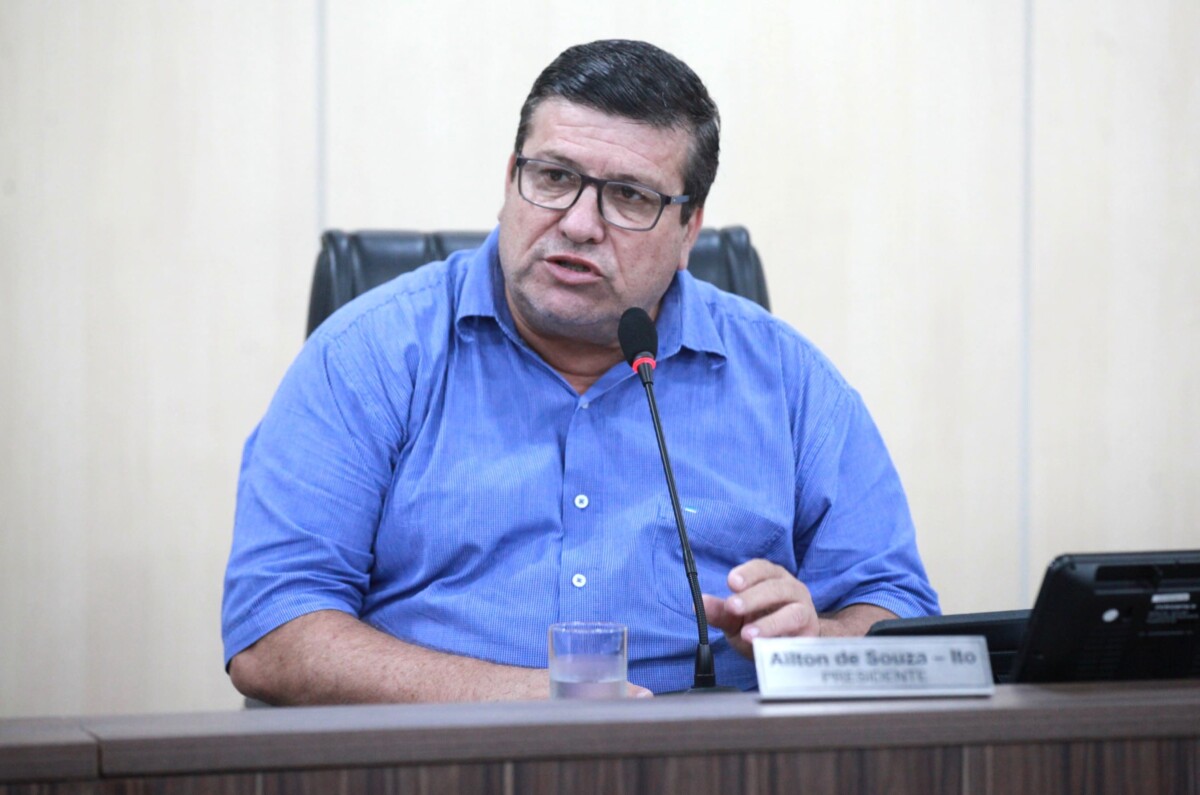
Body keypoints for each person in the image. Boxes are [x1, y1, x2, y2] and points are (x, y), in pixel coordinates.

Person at [222, 39, 939, 705]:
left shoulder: (787, 382)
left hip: (715, 763)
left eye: (630, 196)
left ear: (689, 229)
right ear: (510, 180)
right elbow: (272, 632)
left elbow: (899, 615)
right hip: (439, 762)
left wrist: (820, 642)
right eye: (555, 177)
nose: (578, 223)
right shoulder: (368, 357)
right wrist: (534, 700)